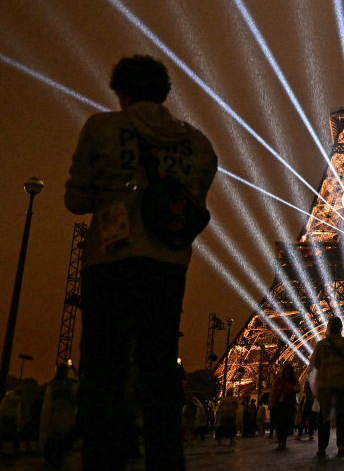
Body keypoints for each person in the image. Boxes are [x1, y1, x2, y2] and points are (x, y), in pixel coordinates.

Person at [64, 54, 217, 470]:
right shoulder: (199, 144)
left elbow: (76, 198)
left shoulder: (102, 128)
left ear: (123, 93)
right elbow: (195, 204)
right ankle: (167, 461)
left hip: (110, 260)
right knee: (160, 370)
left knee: (104, 370)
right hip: (167, 266)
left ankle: (103, 459)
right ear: (165, 92)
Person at [308, 316, 344, 456]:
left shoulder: (321, 345)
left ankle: (322, 447)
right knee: (342, 416)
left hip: (325, 385)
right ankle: (342, 444)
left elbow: (315, 365)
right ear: (341, 328)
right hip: (341, 386)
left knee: (323, 418)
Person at [39, 363, 79, 466]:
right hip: (57, 416)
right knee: (56, 437)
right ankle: (54, 458)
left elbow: (77, 380)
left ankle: (57, 458)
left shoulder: (63, 383)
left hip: (61, 416)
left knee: (59, 437)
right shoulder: (57, 384)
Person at [270, 364, 298, 449]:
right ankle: (281, 441)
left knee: (286, 422)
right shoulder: (279, 380)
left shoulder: (293, 380)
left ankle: (283, 440)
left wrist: (291, 388)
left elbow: (298, 388)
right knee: (281, 422)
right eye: (286, 369)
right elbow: (273, 391)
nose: (287, 371)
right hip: (281, 403)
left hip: (288, 403)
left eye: (288, 369)